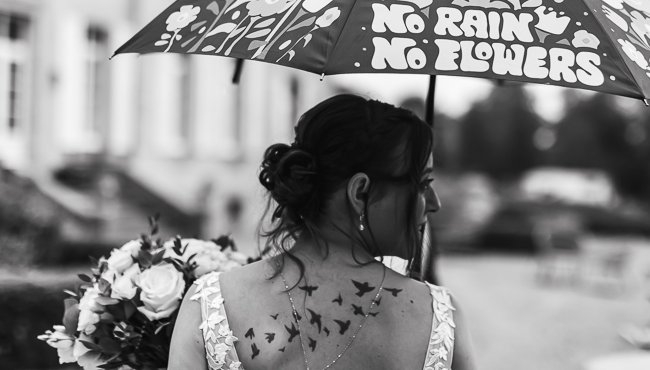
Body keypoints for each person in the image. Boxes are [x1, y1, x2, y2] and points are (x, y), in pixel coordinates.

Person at [168, 94, 477, 370]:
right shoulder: (439, 318)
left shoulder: (211, 305)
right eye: (421, 184)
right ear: (360, 193)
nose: (433, 204)